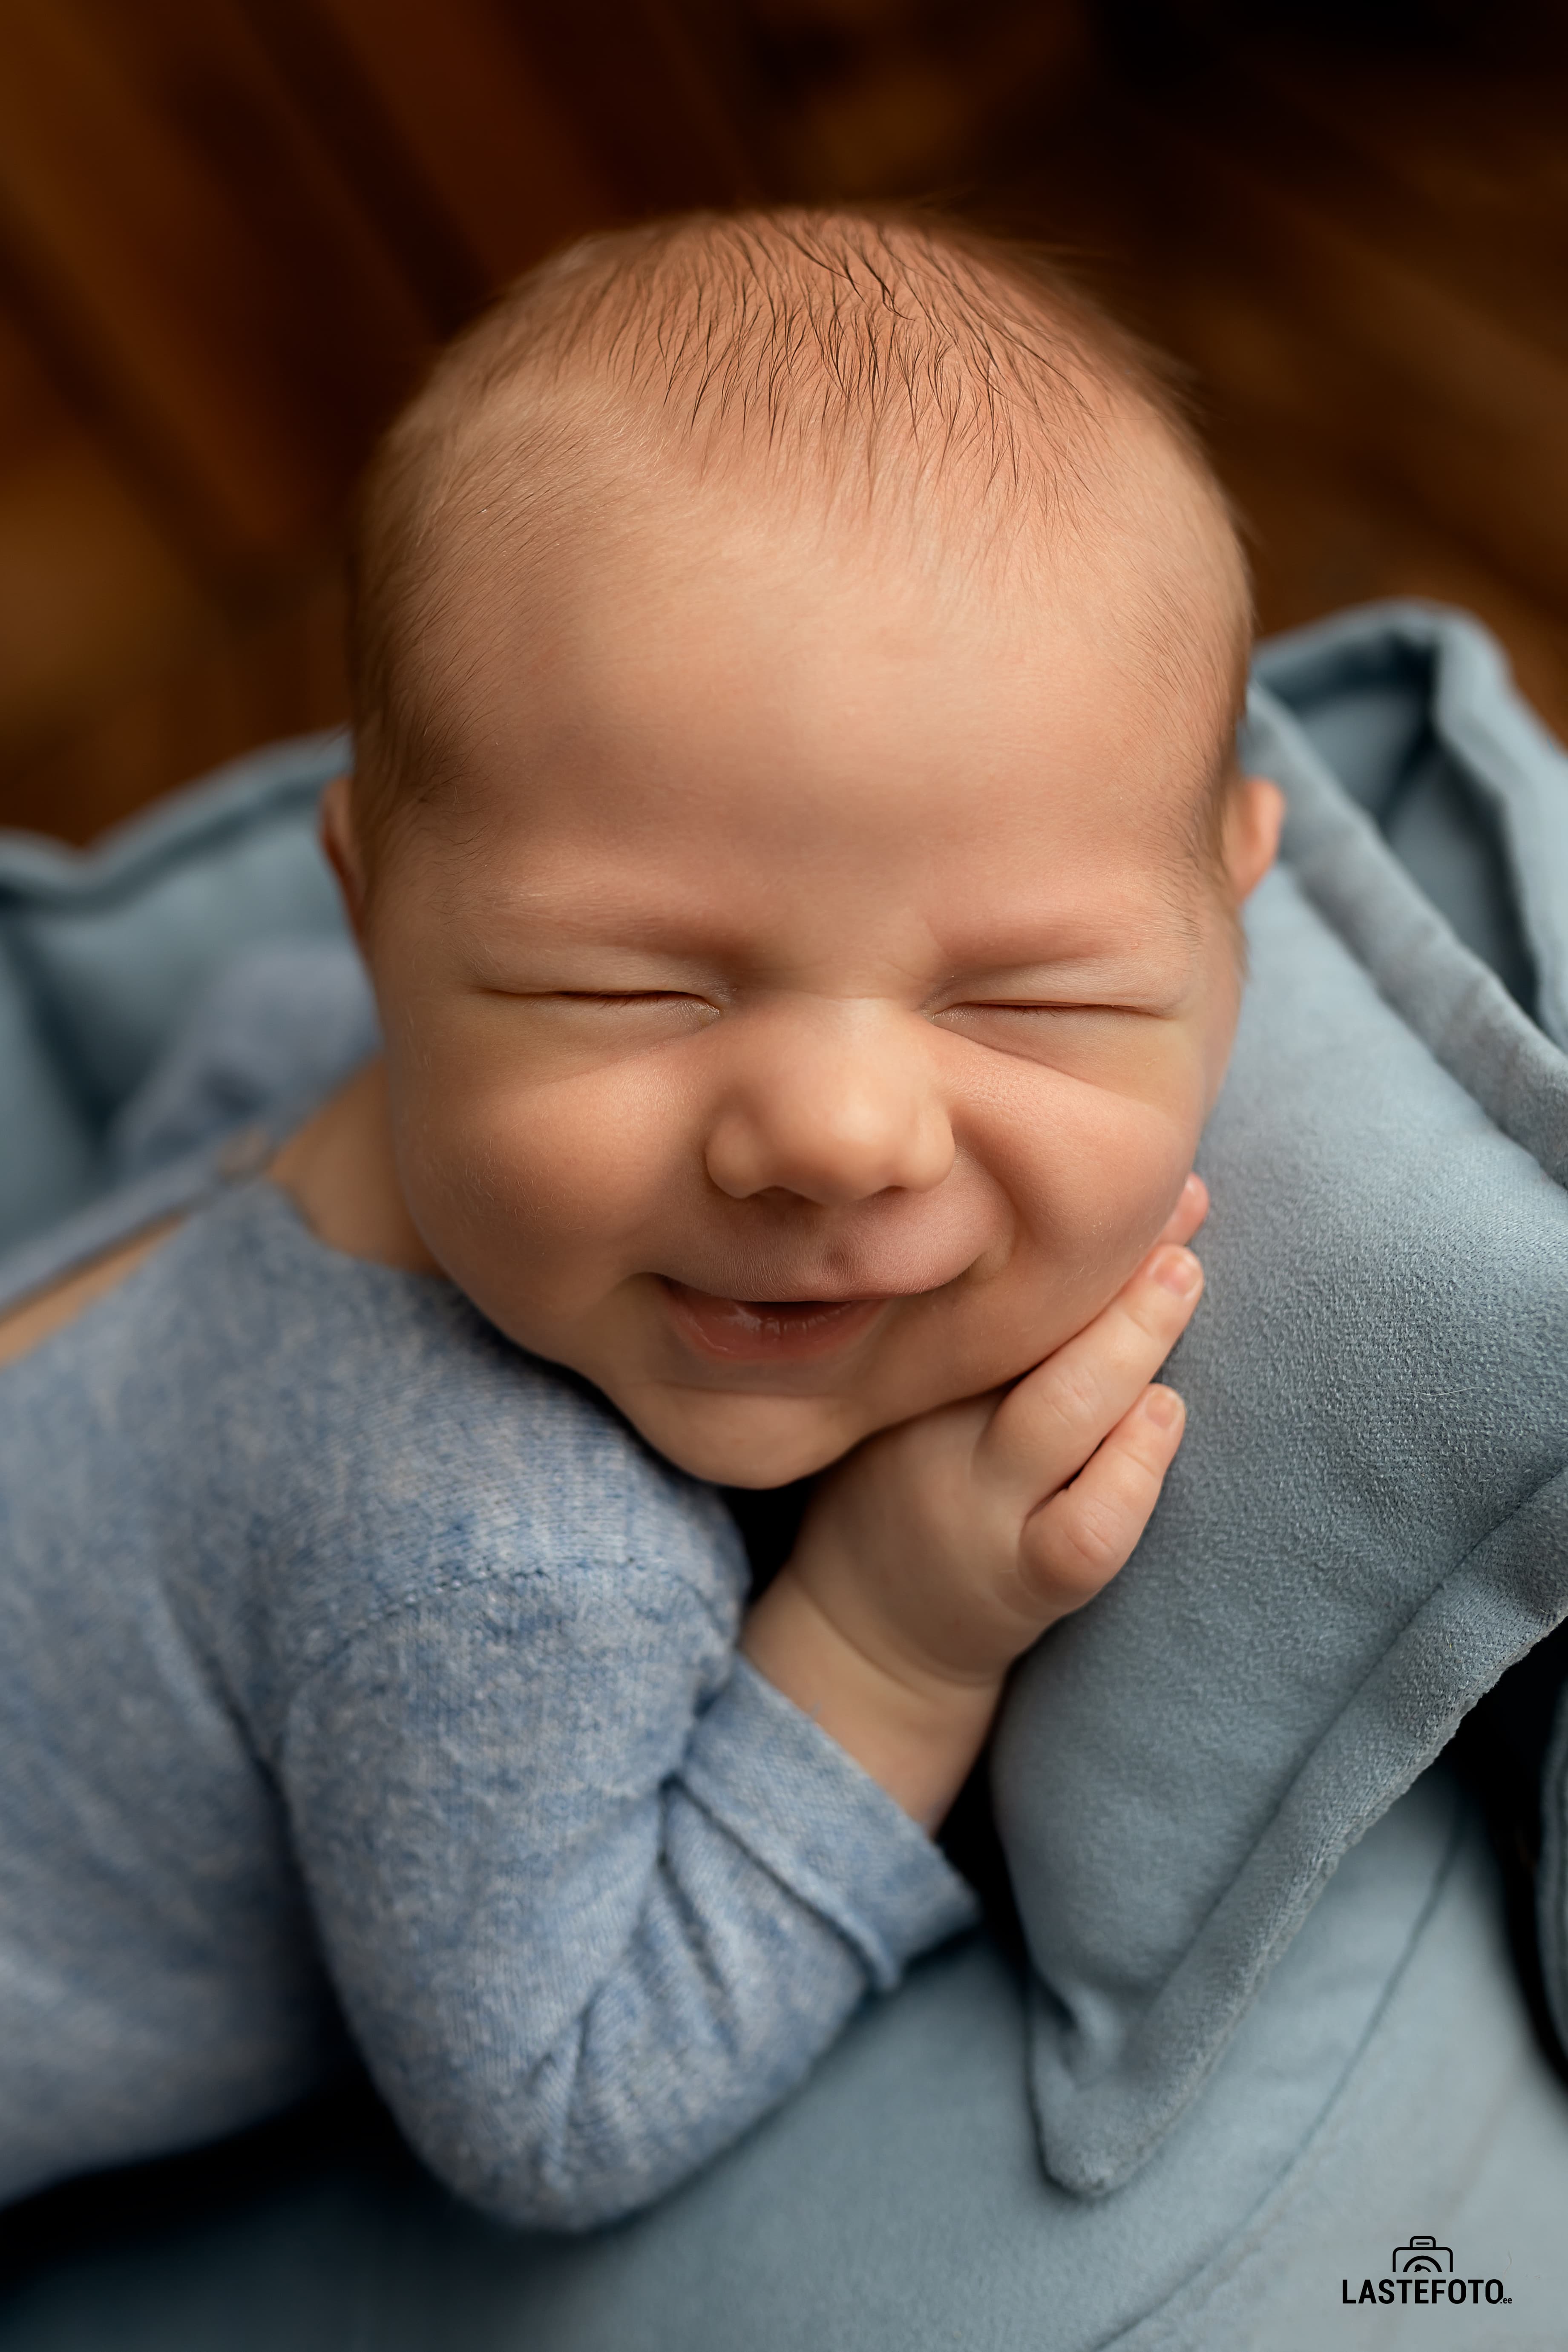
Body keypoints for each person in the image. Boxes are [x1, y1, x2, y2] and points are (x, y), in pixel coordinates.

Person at [0, 207, 1281, 2230]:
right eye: (631, 992)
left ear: (1241, 893)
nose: (837, 1136)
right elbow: (555, 2108)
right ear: (371, 909)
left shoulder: (291, 1046)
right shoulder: (501, 1567)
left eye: (1025, 997)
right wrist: (885, 1642)